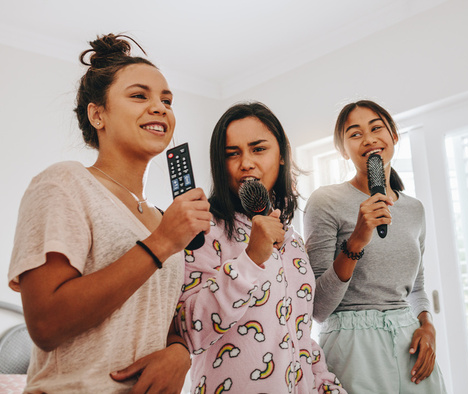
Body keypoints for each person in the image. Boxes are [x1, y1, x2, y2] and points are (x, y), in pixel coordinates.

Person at [7, 33, 211, 393]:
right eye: (139, 96)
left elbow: (157, 314)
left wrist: (179, 352)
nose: (160, 108)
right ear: (97, 114)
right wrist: (161, 243)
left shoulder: (163, 218)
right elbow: (46, 324)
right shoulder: (63, 182)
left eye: (167, 100)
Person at [177, 102, 345, 394]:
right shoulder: (203, 230)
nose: (246, 162)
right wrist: (251, 259)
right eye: (232, 154)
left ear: (281, 155)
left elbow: (299, 334)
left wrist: (326, 385)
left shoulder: (291, 239)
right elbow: (190, 329)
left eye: (258, 149)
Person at [303, 100, 447, 393]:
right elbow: (318, 307)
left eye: (376, 128)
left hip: (411, 345)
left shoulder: (415, 209)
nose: (368, 139)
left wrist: (427, 326)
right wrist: (356, 239)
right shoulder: (325, 201)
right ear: (343, 150)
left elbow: (416, 287)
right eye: (354, 134)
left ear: (394, 135)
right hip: (352, 347)